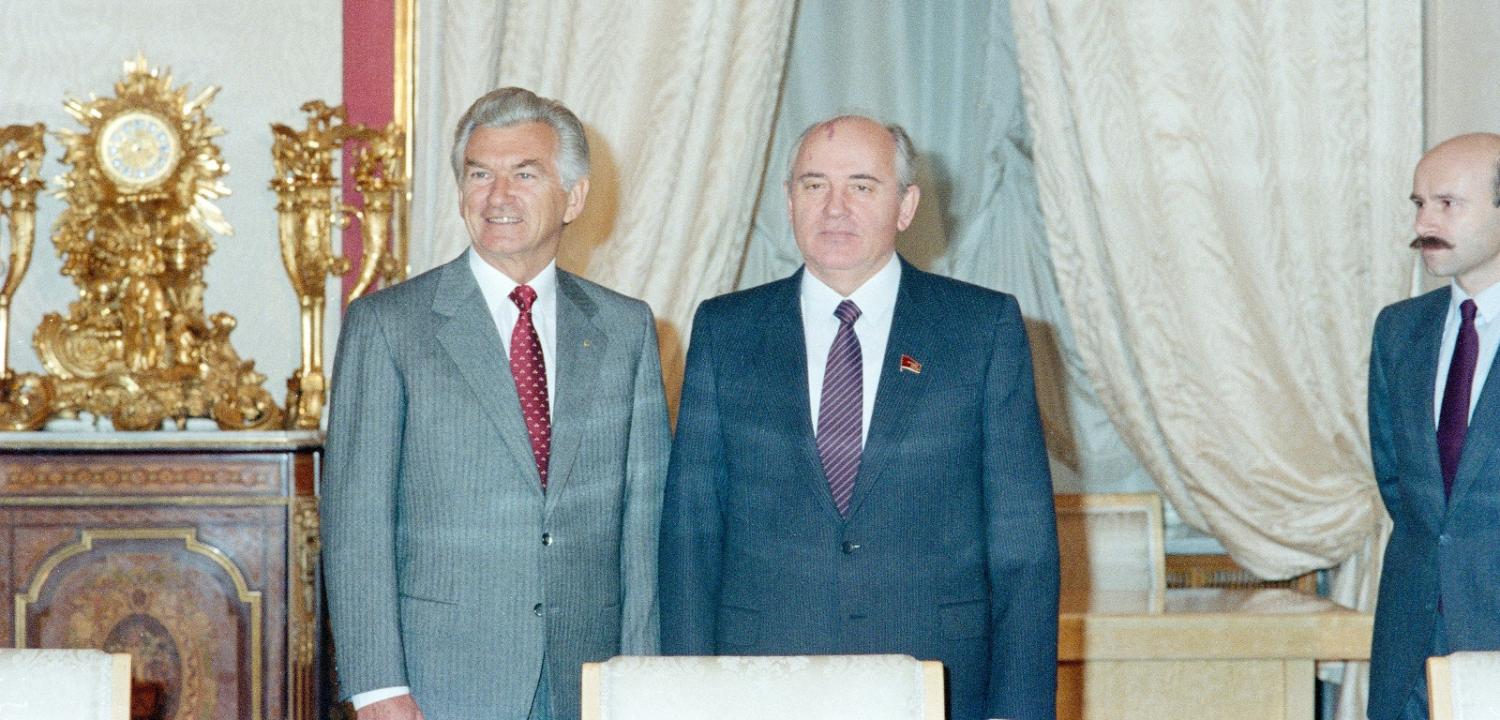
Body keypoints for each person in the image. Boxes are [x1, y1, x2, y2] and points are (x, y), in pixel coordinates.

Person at [658, 115, 1059, 720]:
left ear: (906, 206)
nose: (835, 208)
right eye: (814, 185)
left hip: (936, 682)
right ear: (789, 202)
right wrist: (687, 701)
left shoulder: (981, 329)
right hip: (760, 685)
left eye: (863, 186)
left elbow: (1024, 552)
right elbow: (691, 539)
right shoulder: (726, 330)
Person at [321, 87, 670, 720]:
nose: (497, 195)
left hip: (588, 680)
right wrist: (376, 688)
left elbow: (643, 526)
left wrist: (639, 676)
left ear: (576, 196)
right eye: (480, 174)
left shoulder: (626, 329)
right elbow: (356, 522)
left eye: (525, 174)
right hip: (438, 685)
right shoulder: (388, 325)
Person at [1368, 132, 1500, 720]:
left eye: (1448, 203)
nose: (1426, 220)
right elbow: (1398, 481)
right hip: (1410, 639)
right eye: (1419, 204)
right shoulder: (1398, 330)